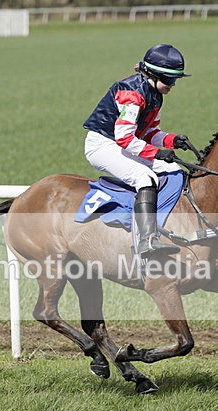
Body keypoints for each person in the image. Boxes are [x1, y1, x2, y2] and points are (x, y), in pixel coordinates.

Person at [83, 44, 192, 259]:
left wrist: (172, 140)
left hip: (122, 142)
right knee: (145, 177)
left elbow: (149, 132)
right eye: (169, 79)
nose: (173, 85)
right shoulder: (133, 94)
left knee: (173, 168)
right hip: (102, 145)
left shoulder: (156, 95)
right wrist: (157, 153)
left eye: (175, 79)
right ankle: (146, 240)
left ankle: (163, 222)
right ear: (153, 74)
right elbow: (124, 138)